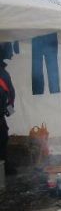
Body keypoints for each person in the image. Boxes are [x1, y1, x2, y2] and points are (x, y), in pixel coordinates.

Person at [0, 43, 16, 175]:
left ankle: (4, 166)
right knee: (2, 138)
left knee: (3, 137)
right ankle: (3, 167)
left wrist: (9, 111)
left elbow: (10, 94)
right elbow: (10, 94)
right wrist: (9, 111)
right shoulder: (2, 73)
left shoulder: (3, 72)